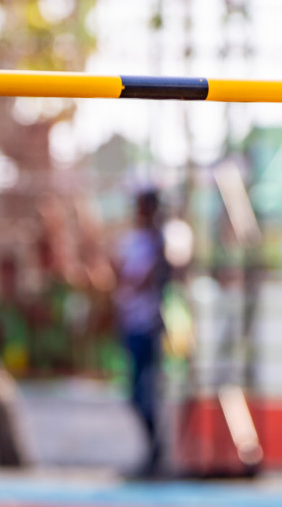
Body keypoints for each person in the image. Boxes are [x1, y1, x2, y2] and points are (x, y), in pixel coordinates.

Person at [114, 186, 169, 479]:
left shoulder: (159, 242)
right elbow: (121, 276)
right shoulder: (132, 241)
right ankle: (152, 452)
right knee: (135, 393)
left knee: (146, 393)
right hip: (131, 324)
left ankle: (156, 455)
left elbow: (142, 280)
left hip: (148, 327)